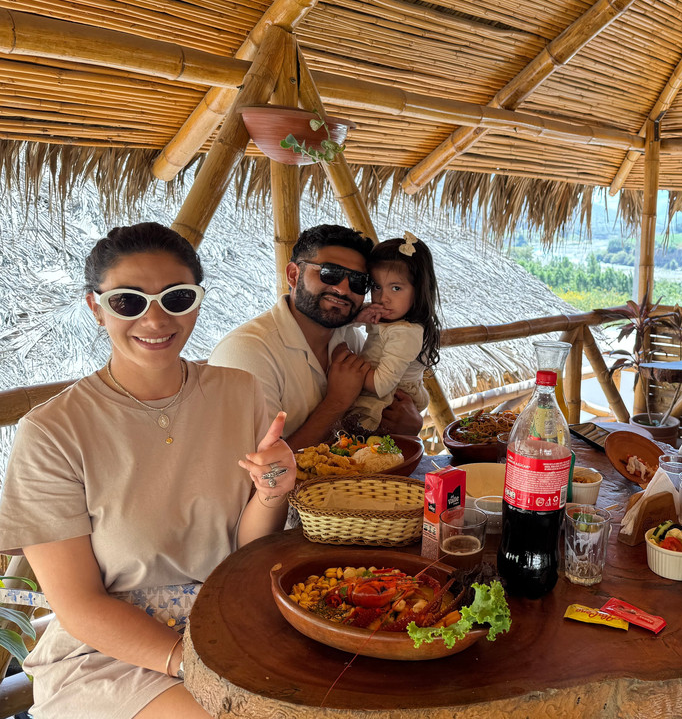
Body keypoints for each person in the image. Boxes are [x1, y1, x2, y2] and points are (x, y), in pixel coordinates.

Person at [0, 222, 296, 719]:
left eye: (176, 298)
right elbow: (80, 605)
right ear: (96, 307)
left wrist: (271, 492)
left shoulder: (241, 393)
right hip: (111, 651)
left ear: (197, 302)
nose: (155, 319)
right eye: (128, 301)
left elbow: (247, 551)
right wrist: (194, 663)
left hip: (234, 620)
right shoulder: (52, 432)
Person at [208, 224, 422, 451]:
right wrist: (337, 402)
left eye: (358, 281)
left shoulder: (351, 338)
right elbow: (256, 467)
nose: (343, 289)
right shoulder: (248, 353)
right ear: (293, 275)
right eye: (330, 273)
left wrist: (409, 425)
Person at [339, 232, 441, 434]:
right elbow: (346, 318)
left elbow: (381, 385)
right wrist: (357, 317)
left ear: (419, 290)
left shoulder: (405, 333)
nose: (383, 298)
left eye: (395, 288)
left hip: (385, 402)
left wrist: (348, 366)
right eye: (376, 286)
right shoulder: (391, 317)